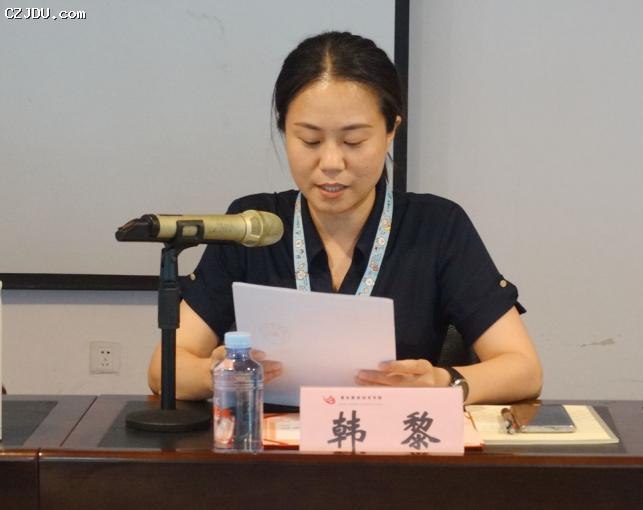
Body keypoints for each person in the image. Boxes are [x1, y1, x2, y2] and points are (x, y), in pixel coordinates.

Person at [147, 31, 542, 404]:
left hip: (390, 446)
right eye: (310, 140)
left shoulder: (437, 227)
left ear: (391, 130)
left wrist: (441, 382)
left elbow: (524, 369)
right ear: (284, 129)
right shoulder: (252, 226)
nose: (331, 162)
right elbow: (163, 368)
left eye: (354, 140)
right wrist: (216, 374)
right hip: (272, 448)